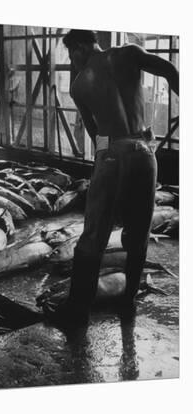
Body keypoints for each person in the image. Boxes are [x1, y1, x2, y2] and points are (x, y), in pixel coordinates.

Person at [42, 30, 179, 326]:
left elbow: (98, 135)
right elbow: (169, 71)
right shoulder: (128, 53)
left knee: (93, 237)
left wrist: (105, 161)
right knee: (138, 234)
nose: (72, 61)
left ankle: (77, 311)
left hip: (112, 153)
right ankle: (128, 302)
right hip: (144, 153)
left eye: (70, 54)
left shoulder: (79, 85)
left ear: (79, 47)